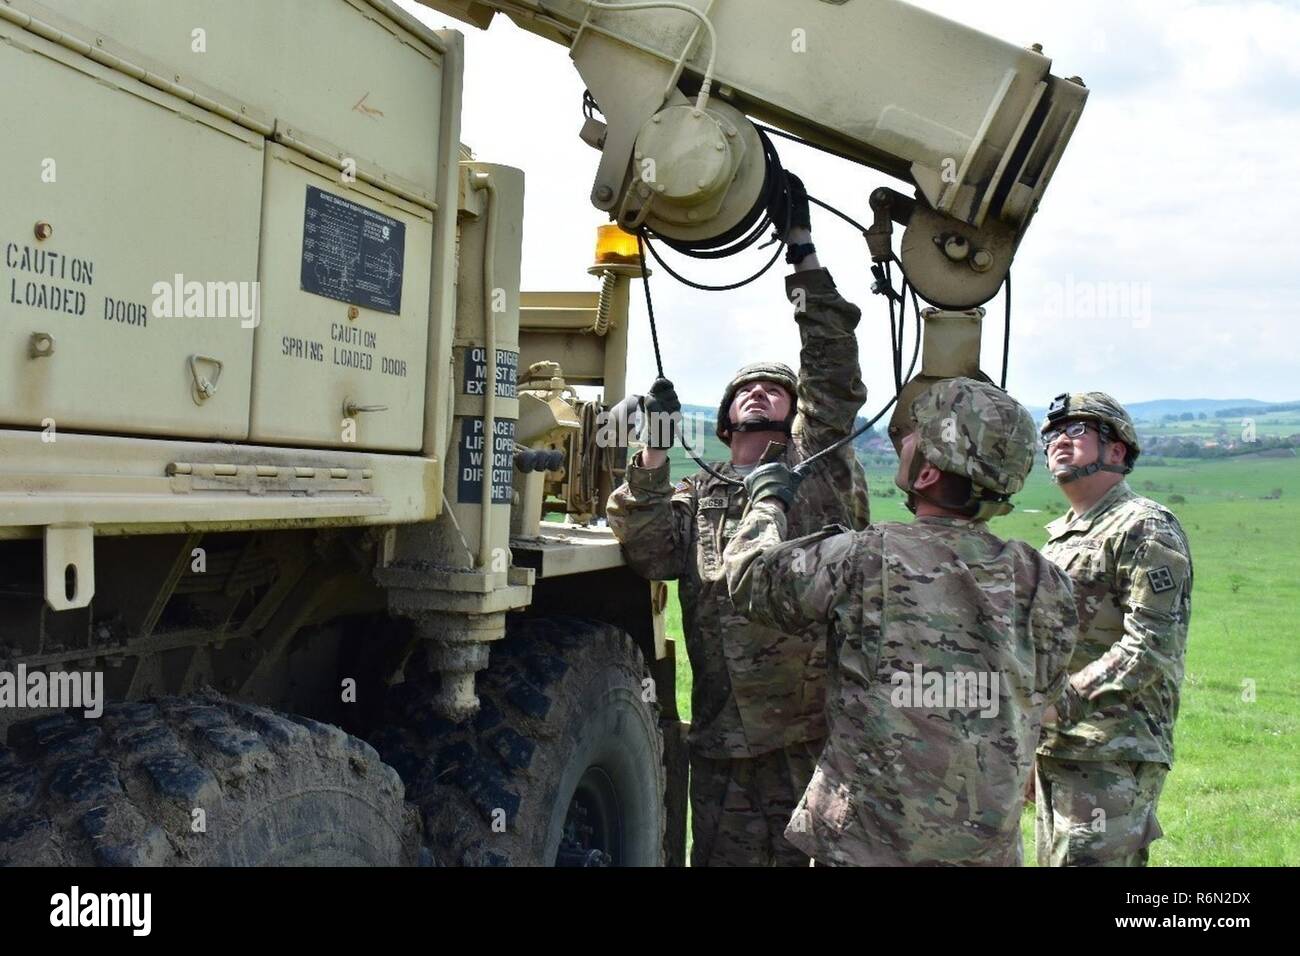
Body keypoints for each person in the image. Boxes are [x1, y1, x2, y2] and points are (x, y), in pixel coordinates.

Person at [605, 176, 870, 866]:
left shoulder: (818, 467)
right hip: (727, 748)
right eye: (746, 390)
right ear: (725, 422)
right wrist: (653, 453)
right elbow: (648, 550)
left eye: (776, 389)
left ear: (796, 413)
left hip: (814, 741)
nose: (760, 394)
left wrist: (802, 253)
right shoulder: (698, 495)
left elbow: (833, 368)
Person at [723, 377, 1078, 865]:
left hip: (865, 848)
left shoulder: (867, 557)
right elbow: (1046, 702)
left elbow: (750, 578)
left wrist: (766, 498)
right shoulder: (1045, 581)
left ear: (929, 474)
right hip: (985, 851)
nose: (902, 440)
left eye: (914, 434)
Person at [1033, 392, 1193, 867]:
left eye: (1078, 430)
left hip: (1112, 749)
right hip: (1058, 745)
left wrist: (1059, 704)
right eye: (1053, 433)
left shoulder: (1146, 526)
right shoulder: (1063, 535)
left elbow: (1152, 644)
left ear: (1117, 450)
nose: (1060, 440)